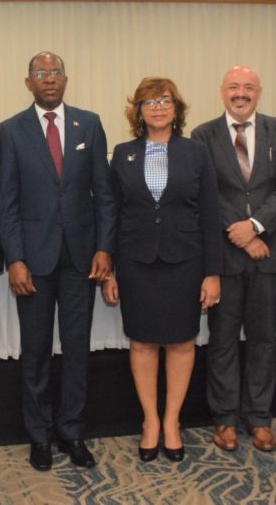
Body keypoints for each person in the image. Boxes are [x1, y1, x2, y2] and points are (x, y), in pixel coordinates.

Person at [0, 51, 117, 471]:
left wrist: (105, 248)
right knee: (35, 352)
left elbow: (104, 194)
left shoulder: (91, 123)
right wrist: (14, 258)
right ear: (28, 82)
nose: (49, 79)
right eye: (40, 74)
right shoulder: (11, 130)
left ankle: (72, 431)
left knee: (77, 350)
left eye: (55, 73)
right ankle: (39, 436)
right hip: (33, 260)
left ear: (66, 79)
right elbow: (6, 203)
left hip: (82, 258)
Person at [101, 78, 222, 463]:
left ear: (176, 108)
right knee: (142, 342)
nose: (157, 108)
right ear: (138, 111)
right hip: (136, 263)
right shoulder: (122, 154)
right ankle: (150, 421)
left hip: (185, 261)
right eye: (149, 102)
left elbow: (210, 215)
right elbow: (113, 215)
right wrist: (110, 271)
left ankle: (172, 421)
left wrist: (212, 272)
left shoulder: (196, 152)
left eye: (164, 100)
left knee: (182, 342)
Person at [191, 66, 276, 453]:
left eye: (249, 87)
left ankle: (258, 418)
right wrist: (239, 233)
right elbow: (205, 192)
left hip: (269, 252)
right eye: (234, 87)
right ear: (222, 92)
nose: (241, 93)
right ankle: (224, 418)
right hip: (225, 257)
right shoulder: (203, 135)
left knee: (263, 341)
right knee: (221, 340)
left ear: (260, 92)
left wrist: (255, 226)